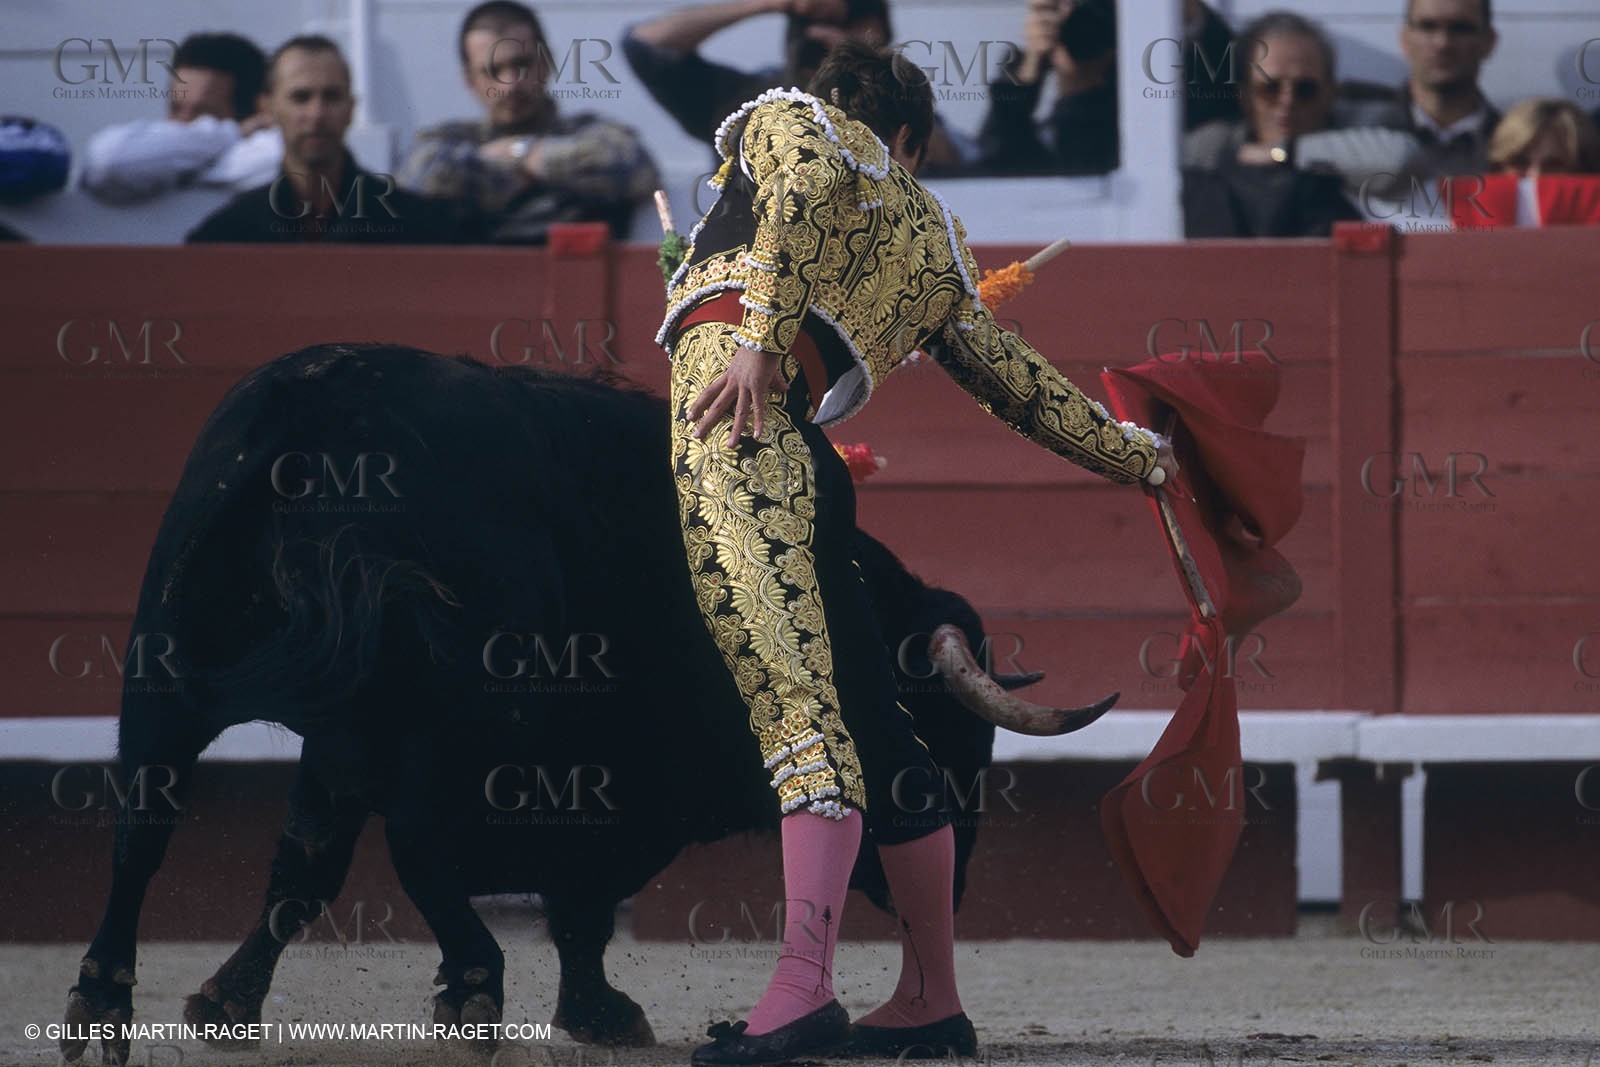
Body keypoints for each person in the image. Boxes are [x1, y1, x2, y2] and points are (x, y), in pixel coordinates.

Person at [658, 39, 1176, 1065]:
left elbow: (803, 185)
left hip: (734, 428)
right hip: (806, 452)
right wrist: (1139, 460)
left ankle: (801, 989)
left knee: (795, 709)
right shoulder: (936, 245)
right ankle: (929, 996)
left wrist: (759, 332)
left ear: (851, 114)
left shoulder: (790, 122)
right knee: (871, 724)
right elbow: (1017, 384)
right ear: (913, 136)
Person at [397, 0, 659, 244]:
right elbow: (416, 179)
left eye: (521, 64)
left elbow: (636, 167)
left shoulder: (589, 133)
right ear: (469, 79)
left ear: (547, 63)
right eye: (493, 70)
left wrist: (522, 154)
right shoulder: (448, 141)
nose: (510, 84)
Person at [622, 0, 972, 174]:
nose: (818, 37)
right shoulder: (747, 98)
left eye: (842, 26)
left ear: (877, 34)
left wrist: (864, 71)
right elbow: (645, 45)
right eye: (808, 25)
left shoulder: (895, 100)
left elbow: (948, 155)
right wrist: (770, 3)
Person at [187, 36, 458, 243]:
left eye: (331, 97)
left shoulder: (418, 226)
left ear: (351, 109)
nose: (316, 114)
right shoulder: (228, 234)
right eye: (300, 97)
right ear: (267, 109)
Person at [1181, 11, 1424, 238]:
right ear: (1244, 95)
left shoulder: (1365, 124)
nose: (1287, 101)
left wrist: (1283, 153)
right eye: (1270, 88)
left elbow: (1399, 159)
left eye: (1305, 90)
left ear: (1331, 93)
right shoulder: (1214, 144)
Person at [979, 0, 1239, 176]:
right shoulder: (1036, 135)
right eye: (1058, 7)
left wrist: (1182, 11)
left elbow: (1225, 86)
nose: (1076, 22)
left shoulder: (1152, 131)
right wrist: (1029, 64)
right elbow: (996, 154)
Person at [80, 33, 282, 204]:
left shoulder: (262, 157)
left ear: (253, 114)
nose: (182, 126)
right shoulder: (143, 156)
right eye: (175, 109)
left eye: (203, 115)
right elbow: (107, 162)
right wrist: (234, 132)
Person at [1340, 0, 1500, 180]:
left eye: (1460, 28)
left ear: (1489, 41)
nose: (1442, 43)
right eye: (1428, 27)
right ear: (1405, 39)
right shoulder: (1355, 136)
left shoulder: (1518, 149)